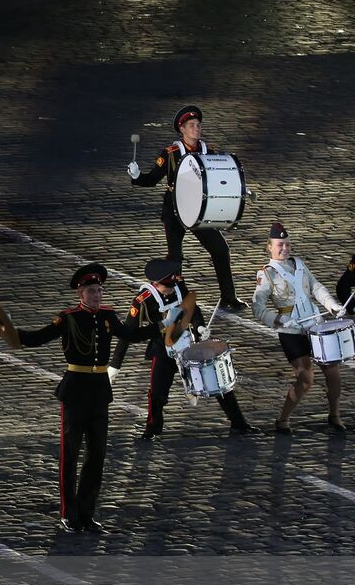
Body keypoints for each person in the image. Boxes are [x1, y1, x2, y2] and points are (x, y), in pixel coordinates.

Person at [15, 264, 159, 533]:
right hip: (75, 391)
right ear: (80, 293)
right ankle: (68, 514)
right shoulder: (68, 318)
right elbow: (40, 337)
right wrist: (13, 333)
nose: (97, 295)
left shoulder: (108, 316)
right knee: (69, 454)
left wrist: (159, 327)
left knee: (97, 455)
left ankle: (86, 513)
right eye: (92, 291)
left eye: (100, 290)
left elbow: (130, 334)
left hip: (99, 393)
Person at [110, 258, 261, 439]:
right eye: (168, 287)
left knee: (217, 379)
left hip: (187, 344)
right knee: (157, 393)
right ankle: (152, 429)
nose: (173, 289)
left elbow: (193, 310)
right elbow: (129, 334)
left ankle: (238, 423)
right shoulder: (143, 300)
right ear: (157, 284)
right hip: (162, 349)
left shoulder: (178, 285)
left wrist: (199, 328)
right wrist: (115, 365)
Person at [128, 105, 245, 311]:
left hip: (199, 210)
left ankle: (229, 297)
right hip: (174, 211)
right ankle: (178, 298)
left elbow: (219, 179)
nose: (196, 128)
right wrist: (137, 177)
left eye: (198, 125)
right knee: (175, 258)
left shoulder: (208, 151)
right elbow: (153, 179)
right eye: (191, 125)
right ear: (182, 129)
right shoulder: (171, 153)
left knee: (220, 249)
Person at [253, 222, 346, 433]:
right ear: (270, 247)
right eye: (280, 245)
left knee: (334, 374)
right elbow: (258, 309)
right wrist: (281, 321)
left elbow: (316, 287)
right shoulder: (266, 274)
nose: (284, 249)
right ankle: (283, 419)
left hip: (315, 326)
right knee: (306, 379)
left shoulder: (300, 264)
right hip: (291, 332)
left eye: (287, 244)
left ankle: (335, 415)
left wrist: (332, 305)